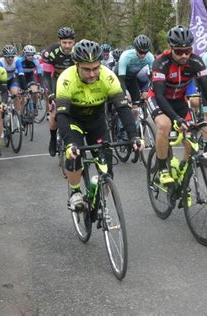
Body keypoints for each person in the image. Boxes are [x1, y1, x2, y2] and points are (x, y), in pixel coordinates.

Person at [55, 39, 142, 211]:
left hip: (97, 122)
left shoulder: (108, 76)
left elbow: (123, 108)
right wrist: (70, 143)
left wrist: (133, 135)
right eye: (86, 69)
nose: (92, 74)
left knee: (107, 169)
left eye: (96, 68)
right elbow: (62, 115)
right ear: (76, 65)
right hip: (74, 122)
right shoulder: (66, 79)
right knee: (74, 155)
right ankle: (75, 192)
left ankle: (100, 202)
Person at [148, 25, 207, 185]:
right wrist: (176, 119)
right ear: (171, 48)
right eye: (179, 51)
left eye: (187, 50)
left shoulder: (196, 61)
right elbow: (159, 95)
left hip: (179, 100)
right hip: (158, 99)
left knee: (191, 139)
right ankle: (162, 169)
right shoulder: (160, 63)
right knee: (165, 126)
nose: (184, 55)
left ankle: (183, 169)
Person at [42, 26, 76, 157]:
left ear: (74, 42)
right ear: (59, 41)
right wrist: (50, 93)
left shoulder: (77, 51)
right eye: (64, 43)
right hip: (55, 80)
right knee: (54, 113)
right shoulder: (51, 52)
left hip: (72, 80)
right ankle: (52, 139)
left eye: (70, 42)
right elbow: (45, 76)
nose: (67, 46)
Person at [117, 35, 154, 104]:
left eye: (145, 52)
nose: (143, 55)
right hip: (119, 77)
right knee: (123, 101)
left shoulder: (150, 57)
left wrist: (146, 90)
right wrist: (125, 93)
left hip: (131, 78)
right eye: (140, 52)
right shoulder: (126, 56)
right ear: (136, 49)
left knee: (137, 102)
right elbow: (121, 79)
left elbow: (153, 77)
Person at [0, 45, 22, 114]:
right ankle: (2, 114)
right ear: (4, 57)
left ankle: (18, 114)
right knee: (3, 98)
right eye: (8, 57)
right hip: (2, 81)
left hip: (12, 80)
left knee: (15, 94)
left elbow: (21, 74)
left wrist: (24, 87)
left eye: (12, 56)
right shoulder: (1, 62)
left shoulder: (17, 60)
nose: (10, 59)